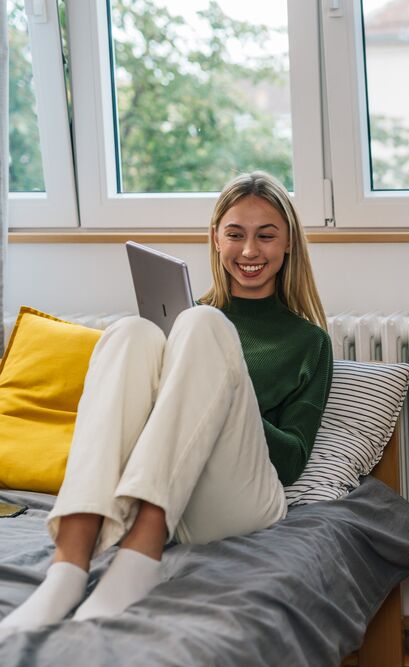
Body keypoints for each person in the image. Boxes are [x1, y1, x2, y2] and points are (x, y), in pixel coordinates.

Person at [0, 171, 332, 632]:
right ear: (216, 239)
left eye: (266, 236)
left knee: (204, 326)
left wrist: (227, 386)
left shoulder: (308, 340)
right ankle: (68, 566)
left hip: (241, 497)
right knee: (131, 331)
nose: (250, 251)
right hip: (172, 487)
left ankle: (140, 554)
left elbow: (293, 459)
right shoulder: (187, 312)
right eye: (235, 235)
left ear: (289, 242)